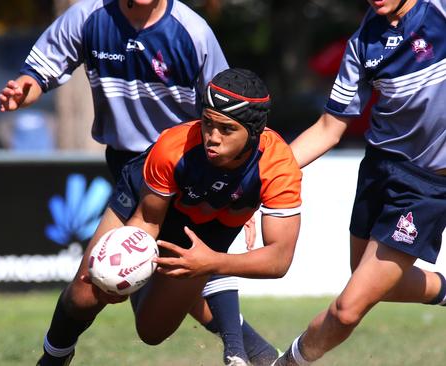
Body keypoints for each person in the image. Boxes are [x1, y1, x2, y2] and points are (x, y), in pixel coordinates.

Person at [0, 0, 278, 364]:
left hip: (191, 168)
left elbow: (232, 111)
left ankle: (245, 349)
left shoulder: (192, 32)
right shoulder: (89, 17)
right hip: (131, 166)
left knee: (184, 265)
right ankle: (53, 358)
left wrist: (236, 185)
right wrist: (26, 87)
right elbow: (41, 71)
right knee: (89, 289)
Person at [29, 67, 302, 365]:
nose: (212, 137)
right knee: (85, 293)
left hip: (208, 228)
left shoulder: (278, 166)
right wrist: (124, 274)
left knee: (151, 331)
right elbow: (147, 221)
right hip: (149, 208)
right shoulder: (174, 146)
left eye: (226, 129)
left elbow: (279, 260)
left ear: (254, 133)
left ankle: (245, 342)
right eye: (207, 123)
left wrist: (212, 263)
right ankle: (52, 358)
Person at [272, 0, 446, 364]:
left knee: (348, 308)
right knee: (364, 279)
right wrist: (263, 178)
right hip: (378, 171)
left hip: (425, 187)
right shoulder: (362, 43)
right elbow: (327, 129)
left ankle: (285, 362)